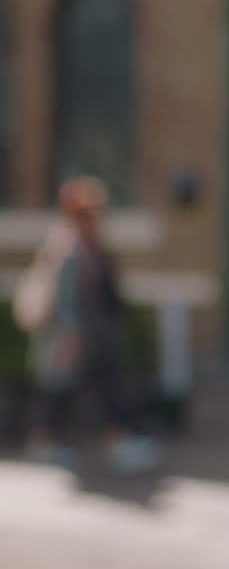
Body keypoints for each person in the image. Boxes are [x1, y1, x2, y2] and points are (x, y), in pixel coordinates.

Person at [21, 176, 160, 474]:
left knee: (88, 389)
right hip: (77, 337)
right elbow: (67, 298)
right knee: (72, 390)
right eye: (89, 213)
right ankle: (58, 442)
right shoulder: (69, 249)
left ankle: (115, 441)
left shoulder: (89, 246)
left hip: (93, 336)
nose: (96, 218)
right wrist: (70, 337)